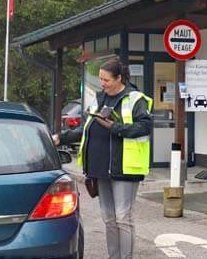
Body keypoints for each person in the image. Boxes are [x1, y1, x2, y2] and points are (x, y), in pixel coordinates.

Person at [53, 58, 152, 259]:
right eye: (100, 79)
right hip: (99, 167)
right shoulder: (99, 99)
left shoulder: (135, 99)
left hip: (124, 168)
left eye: (106, 79)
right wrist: (60, 137)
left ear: (119, 78)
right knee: (108, 218)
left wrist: (114, 127)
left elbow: (145, 127)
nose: (102, 83)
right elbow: (85, 128)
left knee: (123, 217)